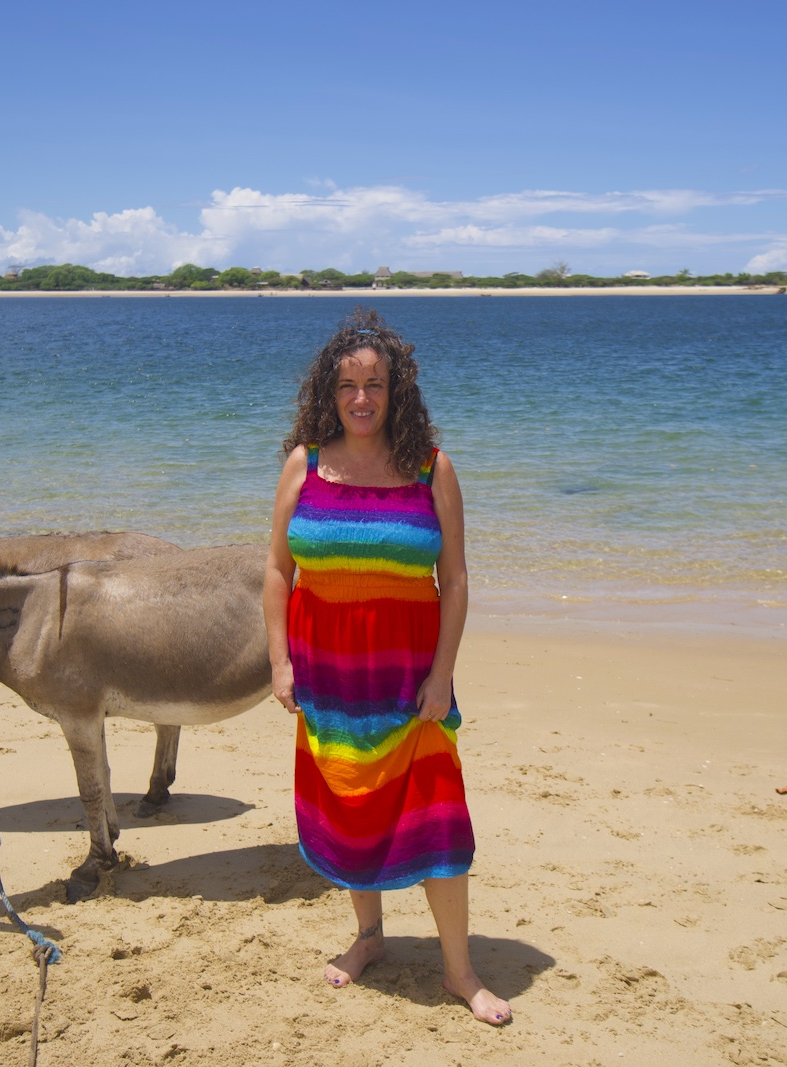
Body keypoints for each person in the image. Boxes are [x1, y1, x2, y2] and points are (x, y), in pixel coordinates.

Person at [263, 308, 511, 1025]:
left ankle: (459, 971)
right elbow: (277, 571)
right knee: (348, 807)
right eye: (347, 385)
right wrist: (279, 661)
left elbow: (456, 581)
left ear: (396, 389)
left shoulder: (432, 466)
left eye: (375, 383)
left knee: (441, 821)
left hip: (411, 678)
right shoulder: (305, 463)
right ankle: (368, 937)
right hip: (328, 672)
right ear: (329, 392)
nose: (361, 398)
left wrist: (442, 674)